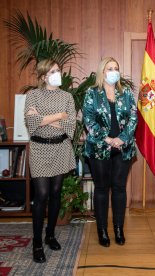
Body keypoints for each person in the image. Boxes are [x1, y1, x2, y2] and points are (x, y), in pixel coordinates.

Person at [25, 59, 76, 263]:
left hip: (61, 148)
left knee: (55, 193)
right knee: (42, 194)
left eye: (58, 70)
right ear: (44, 76)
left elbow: (70, 124)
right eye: (53, 71)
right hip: (39, 148)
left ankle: (50, 234)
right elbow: (32, 123)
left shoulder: (67, 97)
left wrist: (44, 118)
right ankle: (37, 243)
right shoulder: (32, 95)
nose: (58, 74)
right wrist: (58, 116)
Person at [83, 57, 137, 247]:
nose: (114, 71)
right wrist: (106, 139)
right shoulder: (92, 93)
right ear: (102, 72)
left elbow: (133, 118)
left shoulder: (127, 93)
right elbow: (88, 119)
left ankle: (119, 229)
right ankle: (102, 231)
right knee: (101, 189)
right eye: (109, 68)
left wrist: (122, 138)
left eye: (116, 68)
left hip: (123, 148)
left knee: (120, 188)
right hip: (99, 148)